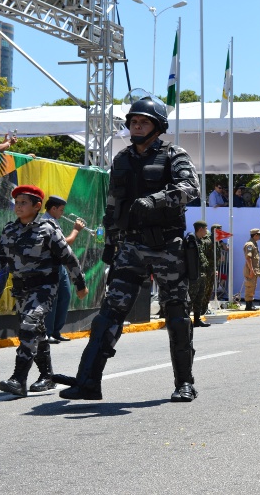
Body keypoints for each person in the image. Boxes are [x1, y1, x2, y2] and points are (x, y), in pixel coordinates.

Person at [57, 94, 200, 402]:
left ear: (158, 126)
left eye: (143, 122)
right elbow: (112, 205)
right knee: (109, 313)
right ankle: (88, 382)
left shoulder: (174, 154)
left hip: (167, 245)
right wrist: (109, 243)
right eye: (133, 121)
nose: (136, 126)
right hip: (131, 246)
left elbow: (192, 188)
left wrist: (156, 199)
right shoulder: (121, 159)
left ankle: (184, 382)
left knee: (176, 314)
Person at [0, 185, 88, 397]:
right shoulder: (10, 229)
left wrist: (79, 284)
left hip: (44, 287)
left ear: (37, 206)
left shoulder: (48, 229)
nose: (18, 207)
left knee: (29, 325)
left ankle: (18, 379)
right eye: (17, 203)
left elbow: (68, 257)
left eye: (23, 203)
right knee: (36, 331)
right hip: (21, 289)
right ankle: (47, 377)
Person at [42, 195, 87, 343]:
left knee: (65, 296)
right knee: (52, 300)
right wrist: (76, 230)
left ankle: (56, 331)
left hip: (60, 266)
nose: (62, 213)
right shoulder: (45, 222)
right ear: (53, 209)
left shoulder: (54, 221)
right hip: (49, 267)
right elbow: (64, 245)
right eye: (61, 210)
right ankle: (47, 332)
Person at [186, 220, 212, 328]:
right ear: (200, 229)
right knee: (191, 298)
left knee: (199, 298)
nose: (206, 231)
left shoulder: (200, 241)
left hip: (202, 274)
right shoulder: (191, 241)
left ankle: (197, 319)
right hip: (194, 275)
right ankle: (186, 320)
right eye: (205, 229)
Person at [243, 228, 260, 311]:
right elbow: (248, 258)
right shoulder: (250, 244)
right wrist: (251, 270)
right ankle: (248, 306)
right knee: (250, 286)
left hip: (253, 269)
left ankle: (250, 304)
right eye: (259, 235)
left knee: (253, 286)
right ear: (255, 235)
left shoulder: (254, 244)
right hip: (251, 269)